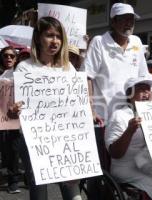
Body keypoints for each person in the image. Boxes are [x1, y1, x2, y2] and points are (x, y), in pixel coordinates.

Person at [81, 3, 152, 199]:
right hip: (105, 116)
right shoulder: (99, 42)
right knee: (100, 168)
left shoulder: (136, 42)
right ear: (114, 21)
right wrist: (90, 108)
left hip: (133, 110)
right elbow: (87, 77)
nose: (129, 22)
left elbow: (146, 77)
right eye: (125, 18)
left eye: (132, 19)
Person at [11, 16, 82, 200]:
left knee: (72, 191)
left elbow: (77, 103)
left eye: (58, 36)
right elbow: (12, 111)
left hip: (65, 140)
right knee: (39, 193)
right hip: (35, 141)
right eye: (49, 35)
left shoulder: (69, 69)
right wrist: (14, 110)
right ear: (38, 38)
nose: (55, 41)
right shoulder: (24, 70)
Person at [0, 46, 22, 194]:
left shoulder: (21, 74)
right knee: (4, 150)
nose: (9, 58)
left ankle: (14, 180)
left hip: (15, 120)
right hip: (1, 118)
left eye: (12, 56)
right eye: (6, 56)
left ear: (15, 59)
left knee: (14, 150)